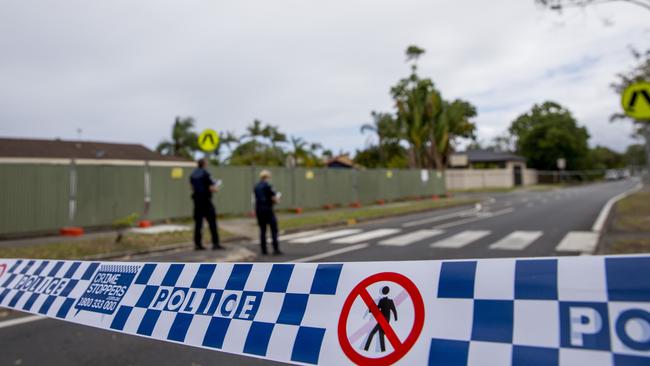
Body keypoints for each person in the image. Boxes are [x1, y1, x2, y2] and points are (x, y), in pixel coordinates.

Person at [190, 158, 222, 250]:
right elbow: (211, 188)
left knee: (198, 224)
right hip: (206, 201)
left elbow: (192, 187)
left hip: (197, 201)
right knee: (212, 222)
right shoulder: (206, 173)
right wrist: (217, 188)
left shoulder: (192, 174)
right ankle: (215, 243)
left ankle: (197, 244)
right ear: (204, 164)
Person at [253, 170, 282, 255]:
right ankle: (275, 248)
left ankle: (264, 250)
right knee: (273, 229)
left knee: (262, 229)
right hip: (267, 209)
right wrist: (277, 200)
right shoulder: (268, 185)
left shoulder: (256, 186)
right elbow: (273, 197)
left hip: (259, 209)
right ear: (267, 177)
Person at [364, 286, 397, 352]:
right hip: (384, 319)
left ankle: (366, 348)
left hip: (383, 320)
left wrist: (371, 310)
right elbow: (393, 310)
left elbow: (393, 310)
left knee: (373, 332)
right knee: (381, 334)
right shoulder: (387, 301)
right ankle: (383, 350)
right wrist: (371, 310)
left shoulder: (384, 301)